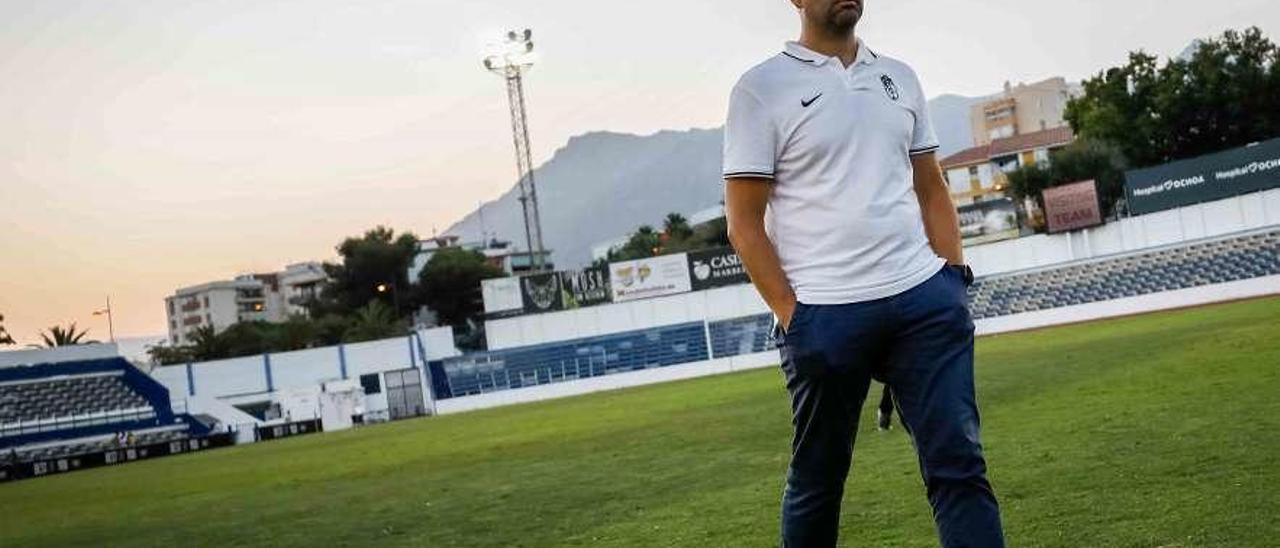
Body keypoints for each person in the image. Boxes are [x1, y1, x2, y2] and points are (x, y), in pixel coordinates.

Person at [722, 1, 1005, 546]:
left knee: (959, 466)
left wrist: (953, 278)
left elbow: (931, 189)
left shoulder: (898, 77)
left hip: (924, 302)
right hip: (825, 315)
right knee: (818, 482)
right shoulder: (760, 89)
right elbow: (744, 223)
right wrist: (793, 315)